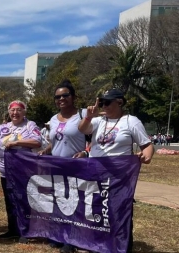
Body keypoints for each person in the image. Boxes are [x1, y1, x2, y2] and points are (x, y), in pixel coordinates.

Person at [78, 89, 153, 253]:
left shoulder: (131, 121)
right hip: (95, 173)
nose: (103, 105)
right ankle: (97, 244)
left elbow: (146, 144)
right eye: (101, 102)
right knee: (95, 209)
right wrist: (89, 116)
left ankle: (121, 246)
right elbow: (83, 129)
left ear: (119, 102)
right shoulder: (99, 121)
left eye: (107, 102)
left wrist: (146, 157)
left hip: (119, 177)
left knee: (119, 211)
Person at [0, 100, 41, 244]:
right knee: (10, 201)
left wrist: (17, 143)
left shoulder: (30, 125)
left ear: (24, 112)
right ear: (9, 112)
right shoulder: (5, 127)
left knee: (23, 200)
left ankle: (25, 230)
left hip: (23, 171)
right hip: (6, 172)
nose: (15, 113)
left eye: (19, 110)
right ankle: (12, 229)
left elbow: (37, 142)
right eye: (12, 110)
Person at [38, 80, 87, 252]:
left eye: (65, 95)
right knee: (60, 201)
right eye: (57, 97)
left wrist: (85, 152)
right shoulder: (53, 118)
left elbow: (94, 139)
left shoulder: (83, 115)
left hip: (76, 166)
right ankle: (60, 234)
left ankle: (72, 239)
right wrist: (47, 150)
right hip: (56, 166)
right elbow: (57, 140)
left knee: (74, 202)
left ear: (73, 97)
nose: (61, 99)